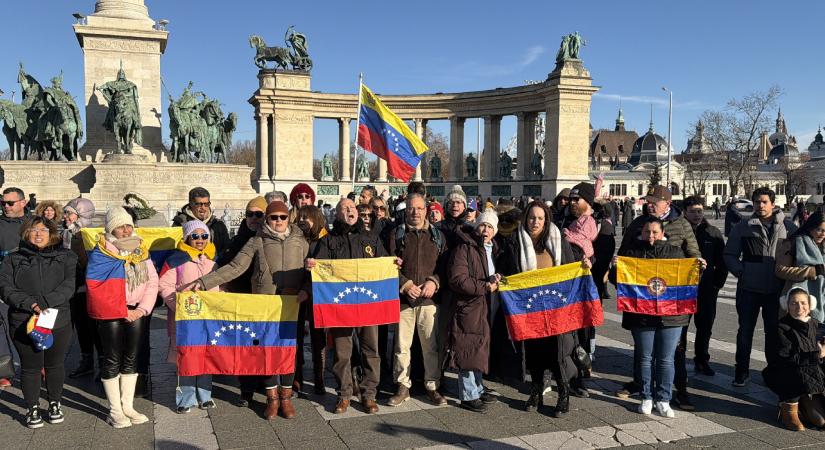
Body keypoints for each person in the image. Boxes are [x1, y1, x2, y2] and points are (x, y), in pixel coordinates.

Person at [196, 201, 308, 420]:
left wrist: (305, 289)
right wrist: (203, 282)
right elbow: (235, 267)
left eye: (282, 217)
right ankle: (272, 398)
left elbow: (310, 271)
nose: (278, 221)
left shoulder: (300, 241)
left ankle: (286, 397)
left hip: (291, 306)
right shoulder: (256, 241)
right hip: (263, 306)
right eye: (273, 217)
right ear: (267, 219)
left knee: (287, 353)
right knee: (266, 352)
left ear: (288, 218)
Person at [498, 201, 584, 416]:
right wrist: (500, 276)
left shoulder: (557, 241)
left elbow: (570, 268)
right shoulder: (514, 243)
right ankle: (536, 389)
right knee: (535, 352)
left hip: (556, 307)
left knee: (558, 351)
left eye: (539, 218)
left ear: (546, 221)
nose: (535, 222)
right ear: (525, 219)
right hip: (529, 308)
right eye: (531, 217)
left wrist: (583, 267)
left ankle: (563, 392)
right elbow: (506, 270)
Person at [611, 218, 700, 419]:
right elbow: (621, 284)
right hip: (641, 315)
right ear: (641, 233)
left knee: (666, 359)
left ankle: (664, 398)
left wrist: (698, 269)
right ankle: (646, 396)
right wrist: (617, 268)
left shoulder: (675, 252)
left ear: (662, 233)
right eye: (646, 232)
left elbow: (686, 282)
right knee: (644, 357)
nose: (650, 236)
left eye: (654, 232)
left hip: (671, 316)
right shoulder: (632, 253)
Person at [306, 198, 388, 414]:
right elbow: (319, 269)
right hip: (341, 307)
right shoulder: (328, 241)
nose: (351, 210)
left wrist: (393, 264)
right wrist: (312, 266)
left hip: (368, 304)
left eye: (353, 208)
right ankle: (344, 394)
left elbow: (384, 263)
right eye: (345, 208)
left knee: (371, 350)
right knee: (343, 353)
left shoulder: (371, 238)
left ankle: (368, 394)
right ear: (338, 214)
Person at [0, 217, 77, 428]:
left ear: (52, 233)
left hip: (57, 317)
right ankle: (32, 406)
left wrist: (45, 302)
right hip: (23, 319)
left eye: (43, 229)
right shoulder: (12, 258)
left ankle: (54, 402)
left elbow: (69, 285)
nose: (38, 233)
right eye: (33, 229)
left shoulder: (67, 256)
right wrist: (30, 304)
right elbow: (6, 287)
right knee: (31, 366)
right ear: (26, 232)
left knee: (54, 364)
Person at [89, 207, 159, 428]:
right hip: (112, 313)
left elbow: (152, 281)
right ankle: (115, 410)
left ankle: (127, 406)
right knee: (112, 358)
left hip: (137, 311)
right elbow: (96, 287)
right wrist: (122, 310)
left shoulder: (141, 250)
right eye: (120, 226)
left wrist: (142, 308)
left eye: (128, 225)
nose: (126, 230)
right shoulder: (101, 252)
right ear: (111, 229)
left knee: (131, 357)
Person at [724, 187, 794, 387]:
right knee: (745, 331)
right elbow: (729, 254)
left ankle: (772, 371)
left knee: (773, 333)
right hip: (749, 289)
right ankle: (742, 370)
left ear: (773, 203)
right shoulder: (743, 226)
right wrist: (741, 271)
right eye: (756, 202)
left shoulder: (788, 227)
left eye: (764, 202)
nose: (760, 205)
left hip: (776, 290)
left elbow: (798, 253)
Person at [386, 194, 448, 407]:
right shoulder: (397, 234)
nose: (416, 212)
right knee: (401, 346)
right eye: (412, 208)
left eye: (420, 208)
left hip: (428, 301)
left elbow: (444, 266)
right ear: (406, 210)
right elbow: (387, 264)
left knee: (430, 346)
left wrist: (434, 282)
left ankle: (432, 385)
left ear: (426, 210)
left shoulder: (437, 235)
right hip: (404, 300)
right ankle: (403, 386)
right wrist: (403, 284)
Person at [158, 220, 219, 413]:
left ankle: (205, 395)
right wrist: (177, 304)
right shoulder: (176, 259)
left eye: (204, 236)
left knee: (206, 356)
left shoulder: (214, 258)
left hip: (208, 317)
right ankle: (186, 398)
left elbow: (223, 284)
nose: (200, 240)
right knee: (186, 357)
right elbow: (164, 285)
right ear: (186, 238)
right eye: (195, 236)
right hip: (184, 317)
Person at [445, 209, 500, 413]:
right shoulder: (465, 248)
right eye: (482, 225)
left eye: (490, 227)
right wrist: (483, 287)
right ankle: (468, 395)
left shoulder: (491, 248)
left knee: (479, 347)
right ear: (476, 226)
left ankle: (477, 387)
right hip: (469, 305)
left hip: (485, 305)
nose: (485, 230)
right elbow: (458, 279)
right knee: (467, 347)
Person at [762, 287, 825, 431]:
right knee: (793, 371)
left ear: (810, 305)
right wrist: (816, 355)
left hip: (813, 377)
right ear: (786, 305)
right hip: (787, 375)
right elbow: (783, 359)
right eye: (794, 303)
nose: (799, 307)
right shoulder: (779, 328)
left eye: (803, 303)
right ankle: (788, 408)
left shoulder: (818, 326)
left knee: (821, 421)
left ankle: (806, 401)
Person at [682, 196, 728, 379]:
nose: (696, 215)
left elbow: (722, 261)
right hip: (683, 288)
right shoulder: (678, 232)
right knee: (681, 327)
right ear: (685, 212)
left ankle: (702, 359)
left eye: (699, 211)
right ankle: (679, 360)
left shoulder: (712, 233)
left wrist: (717, 283)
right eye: (692, 211)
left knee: (705, 326)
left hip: (707, 288)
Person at [62, 198, 104, 379]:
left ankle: (103, 363)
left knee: (96, 327)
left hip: (91, 288)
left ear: (81, 215)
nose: (65, 217)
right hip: (74, 288)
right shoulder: (66, 234)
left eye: (69, 213)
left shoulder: (90, 235)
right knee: (82, 327)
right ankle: (86, 360)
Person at [295, 205, 328, 395]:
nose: (302, 221)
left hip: (317, 295)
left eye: (306, 218)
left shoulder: (325, 240)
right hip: (298, 295)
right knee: (297, 337)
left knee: (318, 339)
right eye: (299, 217)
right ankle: (297, 377)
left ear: (315, 219)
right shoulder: (296, 239)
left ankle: (319, 378)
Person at [0, 187, 29, 389]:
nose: (6, 207)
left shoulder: (34, 224)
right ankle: (4, 370)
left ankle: (40, 364)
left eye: (10, 203)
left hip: (29, 283)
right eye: (3, 203)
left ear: (23, 203)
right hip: (3, 282)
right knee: (1, 327)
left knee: (32, 323)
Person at [775, 211, 825, 323]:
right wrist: (811, 271)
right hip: (798, 302)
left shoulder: (823, 247)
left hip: (821, 299)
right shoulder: (794, 242)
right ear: (810, 227)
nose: (822, 234)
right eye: (819, 229)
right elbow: (780, 270)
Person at [218, 196, 267, 294]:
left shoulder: (270, 241)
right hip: (237, 296)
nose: (254, 218)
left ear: (265, 216)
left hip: (263, 296)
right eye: (250, 214)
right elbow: (224, 265)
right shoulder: (234, 242)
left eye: (258, 214)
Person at [172, 187, 230, 256]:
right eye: (199, 204)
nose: (203, 207)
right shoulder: (180, 223)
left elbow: (226, 249)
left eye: (206, 204)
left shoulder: (218, 224)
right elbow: (174, 250)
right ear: (191, 204)